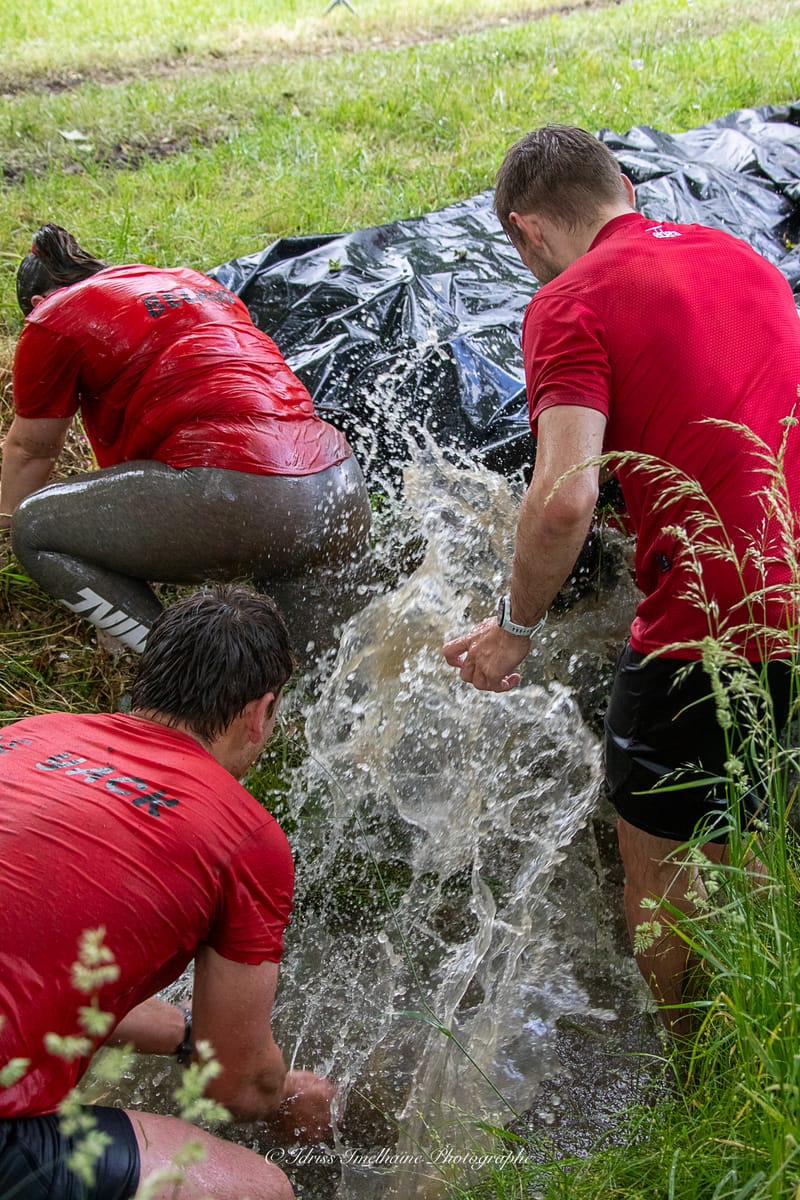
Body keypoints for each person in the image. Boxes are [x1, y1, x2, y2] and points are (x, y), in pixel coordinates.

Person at [442, 124, 800, 1033]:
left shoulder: (568, 301)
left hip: (710, 617)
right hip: (787, 578)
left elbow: (563, 497)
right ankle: (763, 1035)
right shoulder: (742, 255)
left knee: (663, 869)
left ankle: (698, 1074)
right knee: (749, 818)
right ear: (624, 188)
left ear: (525, 230)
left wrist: (514, 627)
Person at [0, 584, 335, 1200]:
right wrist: (285, 1091)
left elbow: (40, 966)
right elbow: (232, 1088)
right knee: (261, 1188)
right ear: (260, 712)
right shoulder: (245, 836)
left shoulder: (25, 736)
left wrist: (186, 1036)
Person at [1, 224, 371, 654]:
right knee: (313, 680)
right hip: (339, 490)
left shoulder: (53, 315)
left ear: (35, 303)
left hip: (244, 496)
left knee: (35, 527)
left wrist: (7, 538)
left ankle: (187, 676)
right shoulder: (193, 283)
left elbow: (31, 449)